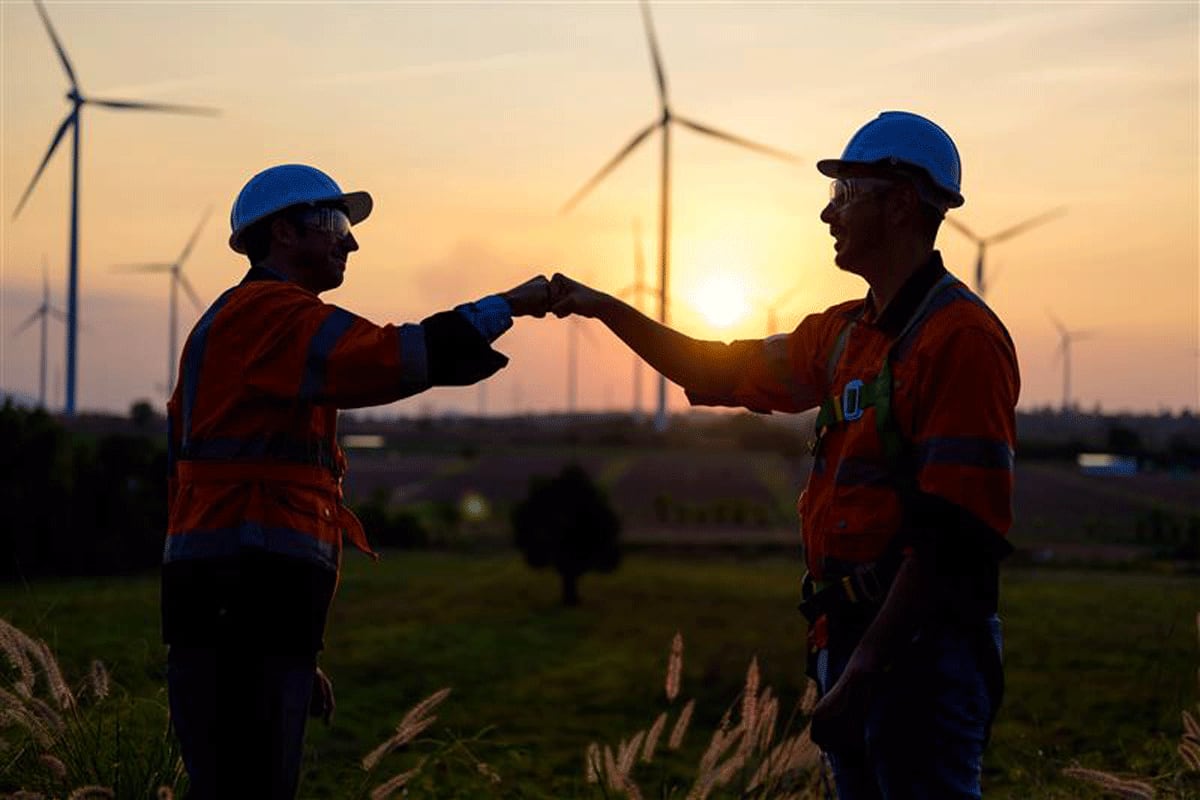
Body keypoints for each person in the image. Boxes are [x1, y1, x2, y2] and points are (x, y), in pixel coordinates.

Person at [549, 111, 1018, 799]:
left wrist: (865, 671)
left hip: (922, 655)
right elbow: (714, 369)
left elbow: (955, 537)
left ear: (899, 202)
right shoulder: (842, 335)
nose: (828, 214)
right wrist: (605, 308)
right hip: (848, 637)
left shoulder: (962, 340)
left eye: (844, 193)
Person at [161, 163, 552, 799]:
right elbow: (393, 356)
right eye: (337, 224)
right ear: (285, 232)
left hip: (241, 617)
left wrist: (298, 654)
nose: (352, 242)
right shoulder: (271, 316)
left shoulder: (247, 323)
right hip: (243, 612)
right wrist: (507, 306)